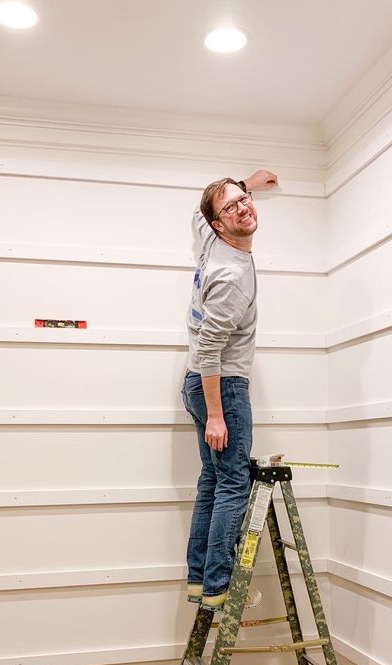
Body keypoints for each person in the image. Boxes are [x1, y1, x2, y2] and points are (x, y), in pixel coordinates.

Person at [181, 169, 278, 611]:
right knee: (233, 482)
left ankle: (199, 582)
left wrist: (245, 184)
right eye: (233, 206)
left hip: (197, 384)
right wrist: (218, 415)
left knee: (212, 480)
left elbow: (204, 212)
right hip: (220, 383)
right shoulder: (232, 275)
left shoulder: (211, 238)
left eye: (245, 200)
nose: (244, 208)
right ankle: (219, 587)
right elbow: (210, 350)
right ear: (219, 224)